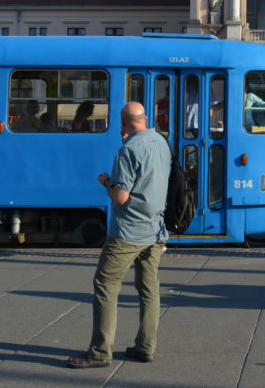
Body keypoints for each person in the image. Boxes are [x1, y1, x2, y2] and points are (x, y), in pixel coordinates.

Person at [67, 102, 171, 369]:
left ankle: (100, 352)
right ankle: (145, 347)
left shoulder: (127, 150)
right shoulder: (161, 142)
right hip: (155, 229)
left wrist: (106, 182)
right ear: (144, 119)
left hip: (127, 232)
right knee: (149, 290)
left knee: (105, 286)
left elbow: (121, 197)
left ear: (123, 124)